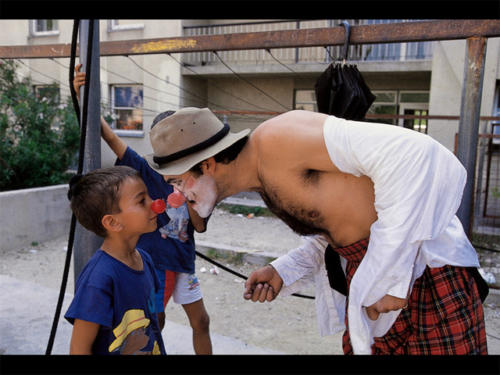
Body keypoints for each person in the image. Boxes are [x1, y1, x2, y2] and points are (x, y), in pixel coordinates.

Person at [143, 106, 487, 355]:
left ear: (207, 164)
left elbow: (417, 156)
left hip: (427, 272)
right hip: (374, 282)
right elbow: (343, 225)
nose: (177, 195)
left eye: (177, 181)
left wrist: (394, 279)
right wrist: (285, 269)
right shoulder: (260, 179)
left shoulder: (280, 139)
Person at [73, 66, 213, 354]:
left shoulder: (197, 180)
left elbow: (199, 225)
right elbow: (111, 138)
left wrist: (189, 191)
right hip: (158, 260)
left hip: (182, 260)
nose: (151, 204)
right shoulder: (143, 173)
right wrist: (83, 96)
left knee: (199, 321)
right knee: (153, 319)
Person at [64, 166, 166, 355]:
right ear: (112, 222)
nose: (155, 203)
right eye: (142, 200)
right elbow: (79, 349)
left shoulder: (145, 260)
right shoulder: (98, 280)